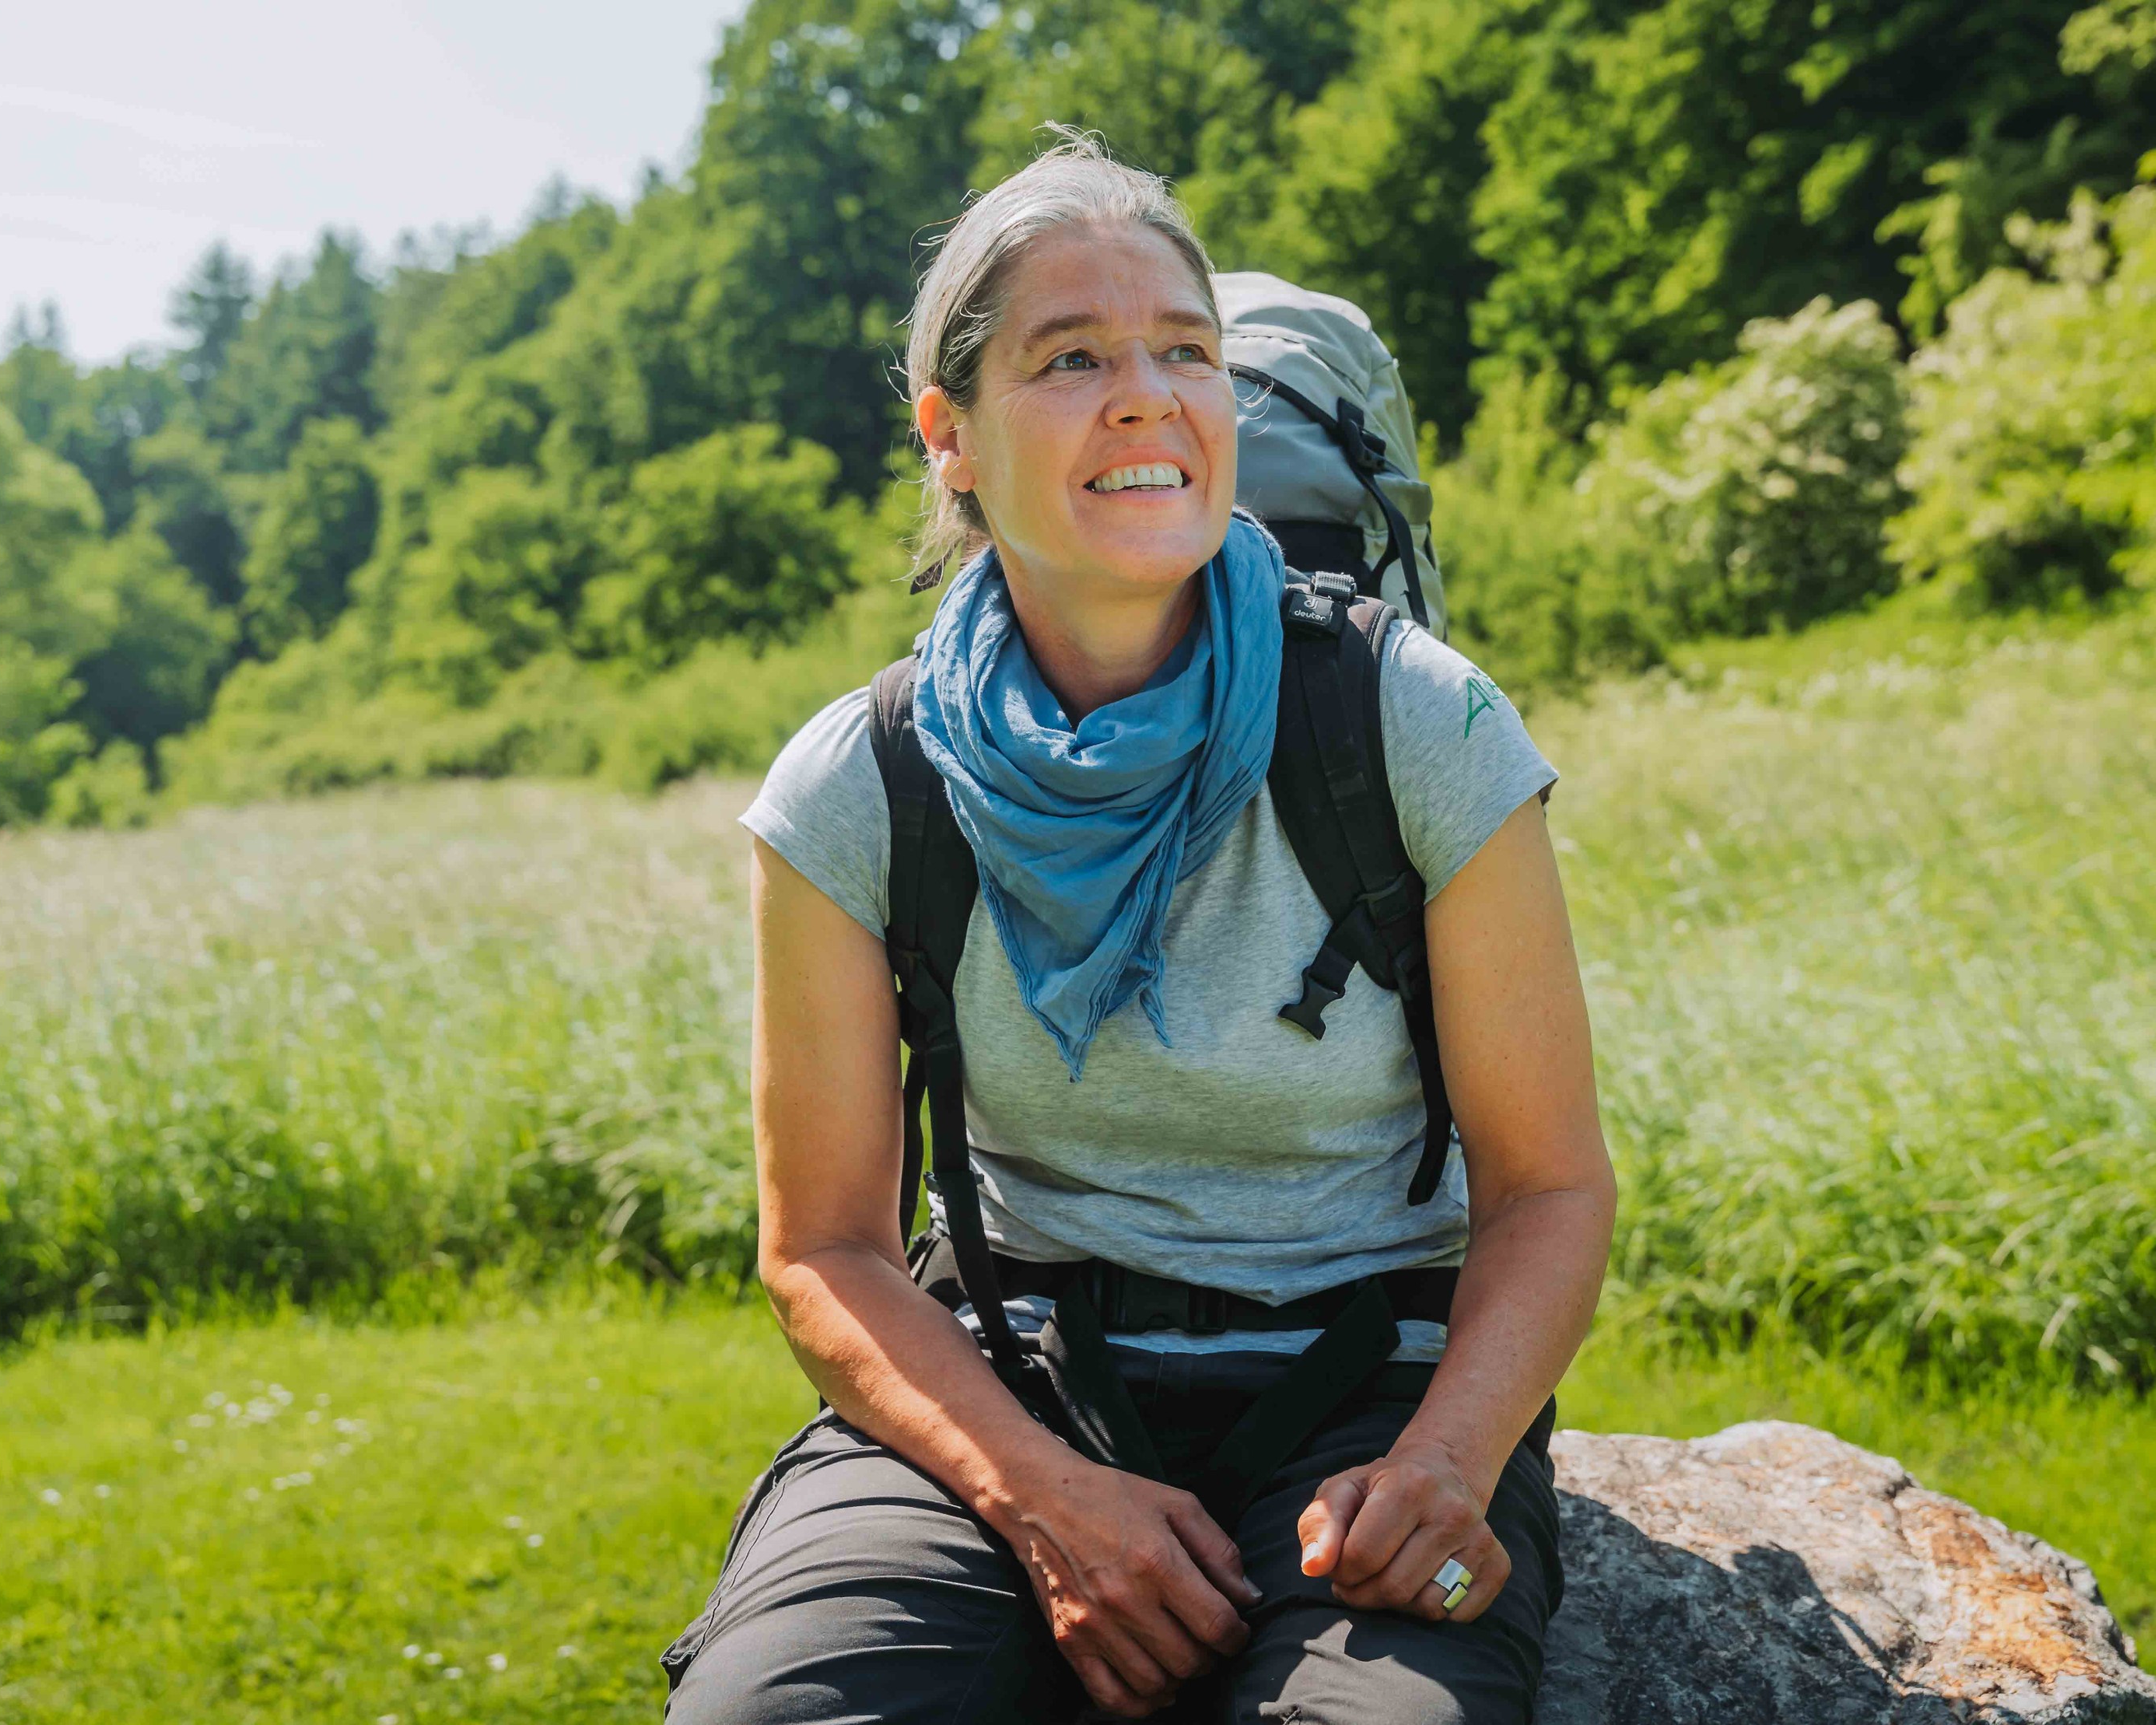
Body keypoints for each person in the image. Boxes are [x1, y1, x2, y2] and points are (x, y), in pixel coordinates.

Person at [661, 134, 1616, 1725]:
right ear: (948, 435)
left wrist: (1450, 1466)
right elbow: (825, 1246)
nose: (1146, 395)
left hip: (1373, 1398)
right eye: (1073, 356)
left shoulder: (1409, 721)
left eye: (1185, 350)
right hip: (1006, 1372)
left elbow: (1551, 1184)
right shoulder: (859, 782)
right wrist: (1040, 1498)